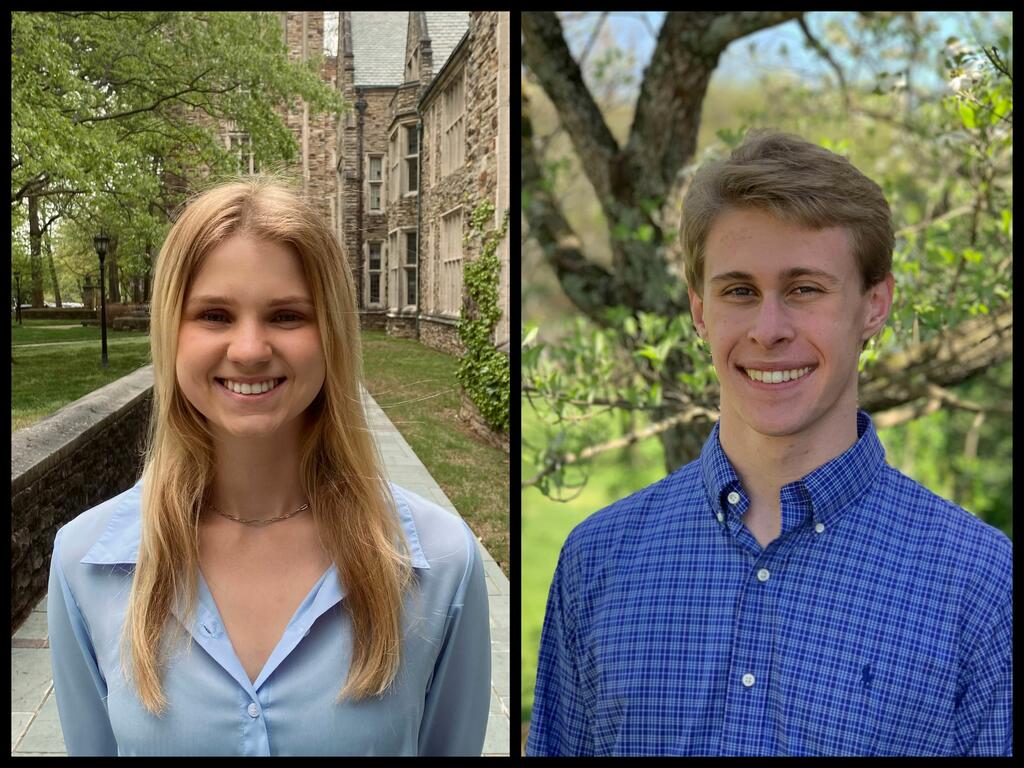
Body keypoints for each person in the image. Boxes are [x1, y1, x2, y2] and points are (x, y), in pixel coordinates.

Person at [526, 130, 1011, 756]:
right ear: (700, 313)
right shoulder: (599, 561)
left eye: (805, 288)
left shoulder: (979, 583)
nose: (769, 330)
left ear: (874, 304)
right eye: (740, 291)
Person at [47, 176, 491, 756]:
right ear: (171, 332)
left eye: (286, 316)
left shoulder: (439, 565)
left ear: (331, 333)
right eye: (213, 315)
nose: (251, 349)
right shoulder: (86, 564)